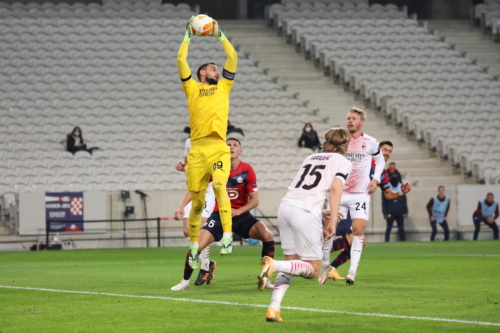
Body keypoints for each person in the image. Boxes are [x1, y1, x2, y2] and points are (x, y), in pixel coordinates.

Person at [257, 128, 352, 322]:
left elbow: (307, 189)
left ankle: (273, 309)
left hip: (286, 208)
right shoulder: (343, 161)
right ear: (346, 145)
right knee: (313, 270)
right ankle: (273, 264)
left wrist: (320, 211)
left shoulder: (311, 158)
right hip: (305, 213)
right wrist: (332, 220)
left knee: (292, 265)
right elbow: (335, 188)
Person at [171, 138, 275, 291]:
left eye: (235, 145)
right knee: (196, 245)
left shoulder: (247, 170)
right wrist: (182, 205)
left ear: (240, 151)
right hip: (219, 216)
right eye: (228, 145)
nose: (232, 147)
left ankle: (265, 278)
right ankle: (185, 282)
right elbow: (196, 187)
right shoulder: (216, 168)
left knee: (268, 235)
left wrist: (239, 210)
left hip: (241, 216)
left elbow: (255, 200)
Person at [177, 16, 238, 263]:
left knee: (221, 187)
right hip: (197, 150)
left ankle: (227, 237)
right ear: (202, 72)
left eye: (217, 68)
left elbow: (232, 58)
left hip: (218, 148)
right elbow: (181, 60)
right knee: (198, 203)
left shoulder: (224, 86)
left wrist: (220, 35)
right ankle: (194, 248)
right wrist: (187, 36)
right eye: (213, 68)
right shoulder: (191, 87)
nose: (217, 70)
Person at [319, 140, 412, 282]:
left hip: (355, 205)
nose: (387, 153)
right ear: (376, 150)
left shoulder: (382, 173)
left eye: (390, 151)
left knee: (357, 241)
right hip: (342, 200)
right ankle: (316, 258)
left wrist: (401, 193)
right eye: (384, 149)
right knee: (347, 238)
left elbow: (388, 194)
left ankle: (329, 266)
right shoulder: (362, 161)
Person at [172, 138, 217, 289]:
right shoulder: (189, 142)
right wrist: (185, 167)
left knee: (201, 229)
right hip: (195, 188)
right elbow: (190, 167)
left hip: (210, 189)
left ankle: (205, 266)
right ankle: (208, 263)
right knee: (187, 231)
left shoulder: (213, 141)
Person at [382, 173, 408, 242]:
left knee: (401, 228)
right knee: (388, 228)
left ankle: (403, 241)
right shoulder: (387, 187)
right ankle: (386, 241)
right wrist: (385, 212)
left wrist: (405, 211)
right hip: (390, 210)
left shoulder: (401, 186)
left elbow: (404, 200)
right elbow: (384, 201)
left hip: (400, 210)